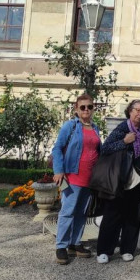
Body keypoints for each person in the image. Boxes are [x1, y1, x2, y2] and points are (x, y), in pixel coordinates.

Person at [96, 100, 140, 264]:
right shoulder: (123, 128)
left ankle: (127, 249)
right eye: (137, 110)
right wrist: (124, 142)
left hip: (138, 179)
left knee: (133, 216)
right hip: (121, 178)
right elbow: (105, 148)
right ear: (130, 111)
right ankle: (104, 250)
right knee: (112, 215)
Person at [51, 93, 101, 265]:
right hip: (72, 177)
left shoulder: (95, 127)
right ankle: (61, 246)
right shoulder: (70, 126)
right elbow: (57, 149)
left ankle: (75, 243)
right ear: (76, 109)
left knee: (82, 212)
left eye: (90, 106)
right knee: (68, 211)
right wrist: (58, 170)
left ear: (93, 108)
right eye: (83, 107)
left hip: (89, 178)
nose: (86, 110)